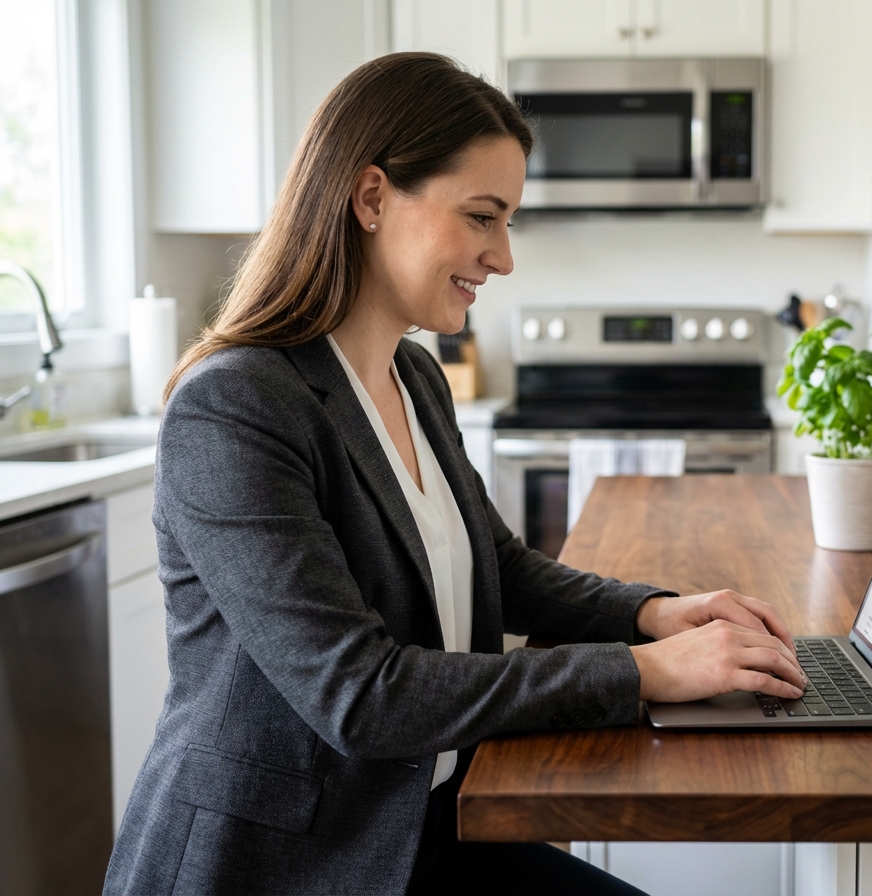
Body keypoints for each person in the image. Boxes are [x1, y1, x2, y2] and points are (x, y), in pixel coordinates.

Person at [102, 53, 806, 896]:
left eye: (505, 223)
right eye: (482, 217)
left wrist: (655, 612)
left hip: (425, 824)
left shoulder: (415, 377)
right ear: (371, 198)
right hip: (289, 860)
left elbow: (497, 570)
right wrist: (647, 672)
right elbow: (361, 695)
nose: (502, 257)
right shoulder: (239, 408)